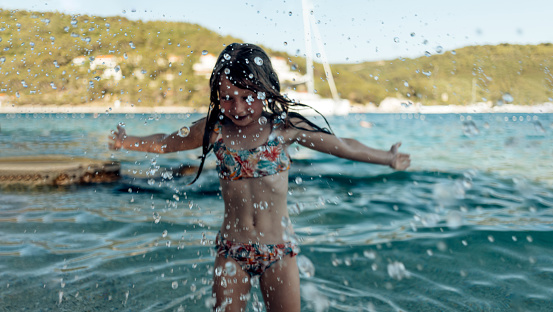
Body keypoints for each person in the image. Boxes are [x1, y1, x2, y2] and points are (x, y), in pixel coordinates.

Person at [109, 43, 410, 312]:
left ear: (265, 90)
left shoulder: (284, 127)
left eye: (247, 96)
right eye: (227, 98)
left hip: (279, 251)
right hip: (231, 251)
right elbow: (166, 142)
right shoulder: (215, 130)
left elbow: (342, 146)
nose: (237, 107)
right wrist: (128, 141)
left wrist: (387, 157)